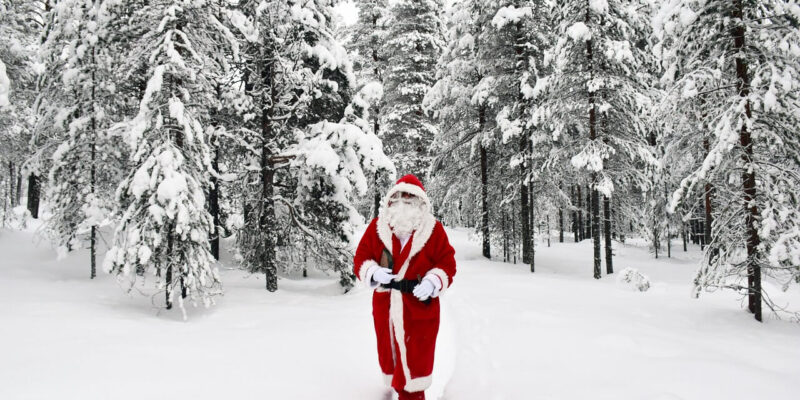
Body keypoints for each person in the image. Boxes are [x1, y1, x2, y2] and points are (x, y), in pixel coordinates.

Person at [353, 174, 457, 400]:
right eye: (398, 197)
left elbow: (447, 262)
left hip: (420, 310)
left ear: (421, 202)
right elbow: (361, 256)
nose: (404, 202)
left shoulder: (433, 229)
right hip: (386, 307)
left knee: (415, 366)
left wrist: (433, 281)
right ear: (391, 200)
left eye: (410, 198)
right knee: (391, 357)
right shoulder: (378, 227)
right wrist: (372, 271)